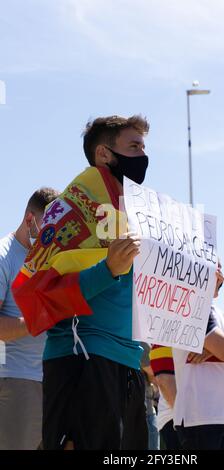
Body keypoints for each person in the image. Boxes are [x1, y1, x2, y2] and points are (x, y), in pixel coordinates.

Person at [13, 115, 150, 450]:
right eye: (133, 147)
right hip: (83, 360)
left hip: (127, 365)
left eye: (144, 148)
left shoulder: (132, 216)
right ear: (104, 154)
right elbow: (37, 290)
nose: (144, 157)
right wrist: (107, 269)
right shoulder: (70, 210)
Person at [0, 187, 59, 450]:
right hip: (16, 382)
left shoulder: (45, 258)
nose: (53, 237)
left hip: (51, 381)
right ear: (28, 220)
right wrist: (41, 318)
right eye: (48, 229)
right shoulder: (4, 257)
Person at [172, 265, 224, 450]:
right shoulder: (191, 306)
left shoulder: (218, 313)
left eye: (220, 267)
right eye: (212, 267)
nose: (219, 273)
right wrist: (223, 349)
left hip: (222, 414)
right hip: (199, 416)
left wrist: (215, 349)